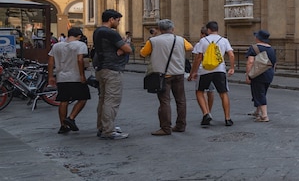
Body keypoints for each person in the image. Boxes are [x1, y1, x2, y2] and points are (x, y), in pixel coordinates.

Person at [140, 19, 193, 135]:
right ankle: (180, 125)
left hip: (162, 75)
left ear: (159, 29)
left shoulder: (153, 41)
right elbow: (190, 48)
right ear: (172, 29)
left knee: (164, 101)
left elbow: (142, 54)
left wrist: (153, 37)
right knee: (181, 100)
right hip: (178, 73)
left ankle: (165, 128)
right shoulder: (180, 39)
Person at [94, 9, 133, 139]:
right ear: (111, 19)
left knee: (103, 99)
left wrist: (120, 49)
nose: (118, 22)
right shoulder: (111, 33)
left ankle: (102, 126)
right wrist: (125, 44)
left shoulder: (97, 31)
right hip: (112, 69)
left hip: (101, 68)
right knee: (112, 101)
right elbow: (128, 49)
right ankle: (108, 131)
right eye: (118, 20)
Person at [189, 20, 236, 127]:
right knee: (223, 93)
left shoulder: (203, 41)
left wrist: (194, 72)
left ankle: (206, 113)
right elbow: (231, 55)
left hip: (205, 70)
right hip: (220, 70)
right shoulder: (224, 40)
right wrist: (232, 67)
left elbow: (198, 58)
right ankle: (227, 118)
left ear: (208, 30)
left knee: (200, 92)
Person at [47, 27, 89, 134]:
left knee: (63, 101)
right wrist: (82, 75)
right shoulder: (80, 45)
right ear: (79, 36)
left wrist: (51, 76)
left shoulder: (56, 46)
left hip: (61, 77)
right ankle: (71, 117)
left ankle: (63, 125)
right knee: (83, 98)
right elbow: (80, 59)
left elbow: (51, 62)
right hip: (75, 77)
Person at [245, 29, 277, 122]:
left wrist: (248, 75)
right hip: (269, 73)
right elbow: (274, 63)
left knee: (259, 93)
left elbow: (250, 62)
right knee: (262, 92)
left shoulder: (254, 48)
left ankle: (264, 116)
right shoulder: (271, 49)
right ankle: (257, 111)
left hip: (257, 74)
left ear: (258, 38)